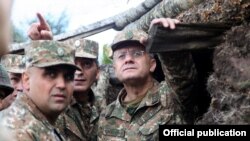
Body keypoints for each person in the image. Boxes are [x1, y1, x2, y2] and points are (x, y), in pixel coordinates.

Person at [97, 18, 184, 140]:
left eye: (137, 53)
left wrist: (166, 39)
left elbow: (182, 76)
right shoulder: (106, 116)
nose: (128, 59)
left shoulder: (173, 94)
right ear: (115, 69)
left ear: (152, 64)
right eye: (121, 56)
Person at [0, 40, 80, 140]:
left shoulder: (39, 122)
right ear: (27, 80)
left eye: (68, 77)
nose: (62, 85)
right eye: (51, 74)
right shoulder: (15, 131)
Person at [56, 38, 100, 141]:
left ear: (98, 72)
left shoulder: (106, 109)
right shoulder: (53, 106)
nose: (78, 72)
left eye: (87, 64)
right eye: (73, 64)